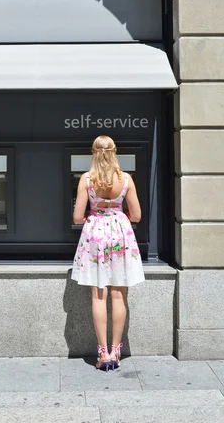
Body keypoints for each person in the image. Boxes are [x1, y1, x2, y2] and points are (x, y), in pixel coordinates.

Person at [71, 135, 145, 371]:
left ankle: (103, 354)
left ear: (93, 153)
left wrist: (93, 217)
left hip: (95, 234)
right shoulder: (125, 179)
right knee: (119, 294)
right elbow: (136, 216)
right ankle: (116, 350)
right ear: (114, 152)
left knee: (99, 293)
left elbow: (76, 217)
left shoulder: (86, 179)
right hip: (120, 235)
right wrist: (118, 214)